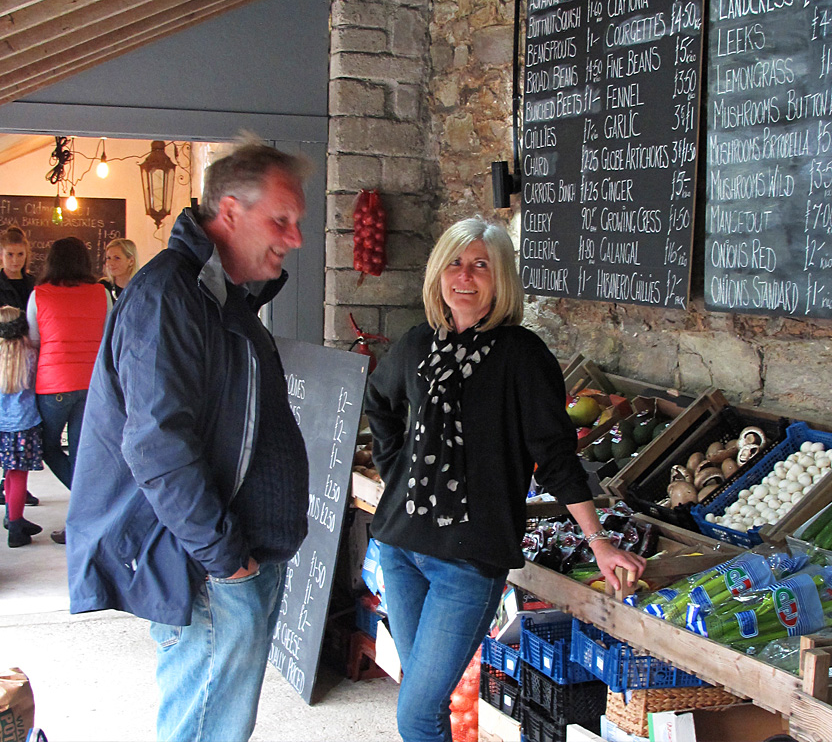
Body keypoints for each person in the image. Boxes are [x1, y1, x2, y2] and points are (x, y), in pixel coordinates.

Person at [364, 216, 646, 742]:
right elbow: (378, 399)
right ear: (437, 273)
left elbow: (555, 455)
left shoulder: (522, 355)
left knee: (415, 714)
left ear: (502, 279)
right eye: (455, 262)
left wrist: (599, 541)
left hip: (467, 563)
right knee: (421, 698)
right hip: (401, 549)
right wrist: (395, 469)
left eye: (480, 266)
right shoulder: (418, 342)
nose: (464, 276)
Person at [66, 140, 310, 742]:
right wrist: (226, 560)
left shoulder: (221, 297)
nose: (295, 238)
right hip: (206, 564)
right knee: (204, 730)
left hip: (231, 560)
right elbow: (156, 446)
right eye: (281, 220)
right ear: (230, 210)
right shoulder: (170, 296)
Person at [27, 236, 110, 531]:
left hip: (52, 384)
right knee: (82, 453)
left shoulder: (39, 294)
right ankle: (88, 512)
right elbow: (109, 335)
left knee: (48, 447)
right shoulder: (101, 293)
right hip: (92, 384)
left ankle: (86, 506)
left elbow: (34, 340)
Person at [0, 307, 44, 547]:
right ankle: (16, 526)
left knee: (8, 472)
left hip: (2, 424)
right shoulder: (31, 354)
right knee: (18, 476)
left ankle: (13, 516)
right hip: (23, 424)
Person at [0, 226, 35, 310]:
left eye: (20, 254)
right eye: (10, 254)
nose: (15, 260)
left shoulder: (35, 283)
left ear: (26, 254)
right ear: (1, 255)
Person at [101, 238, 139, 302]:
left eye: (117, 258)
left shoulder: (141, 288)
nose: (111, 263)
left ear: (131, 261)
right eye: (108, 258)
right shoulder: (103, 287)